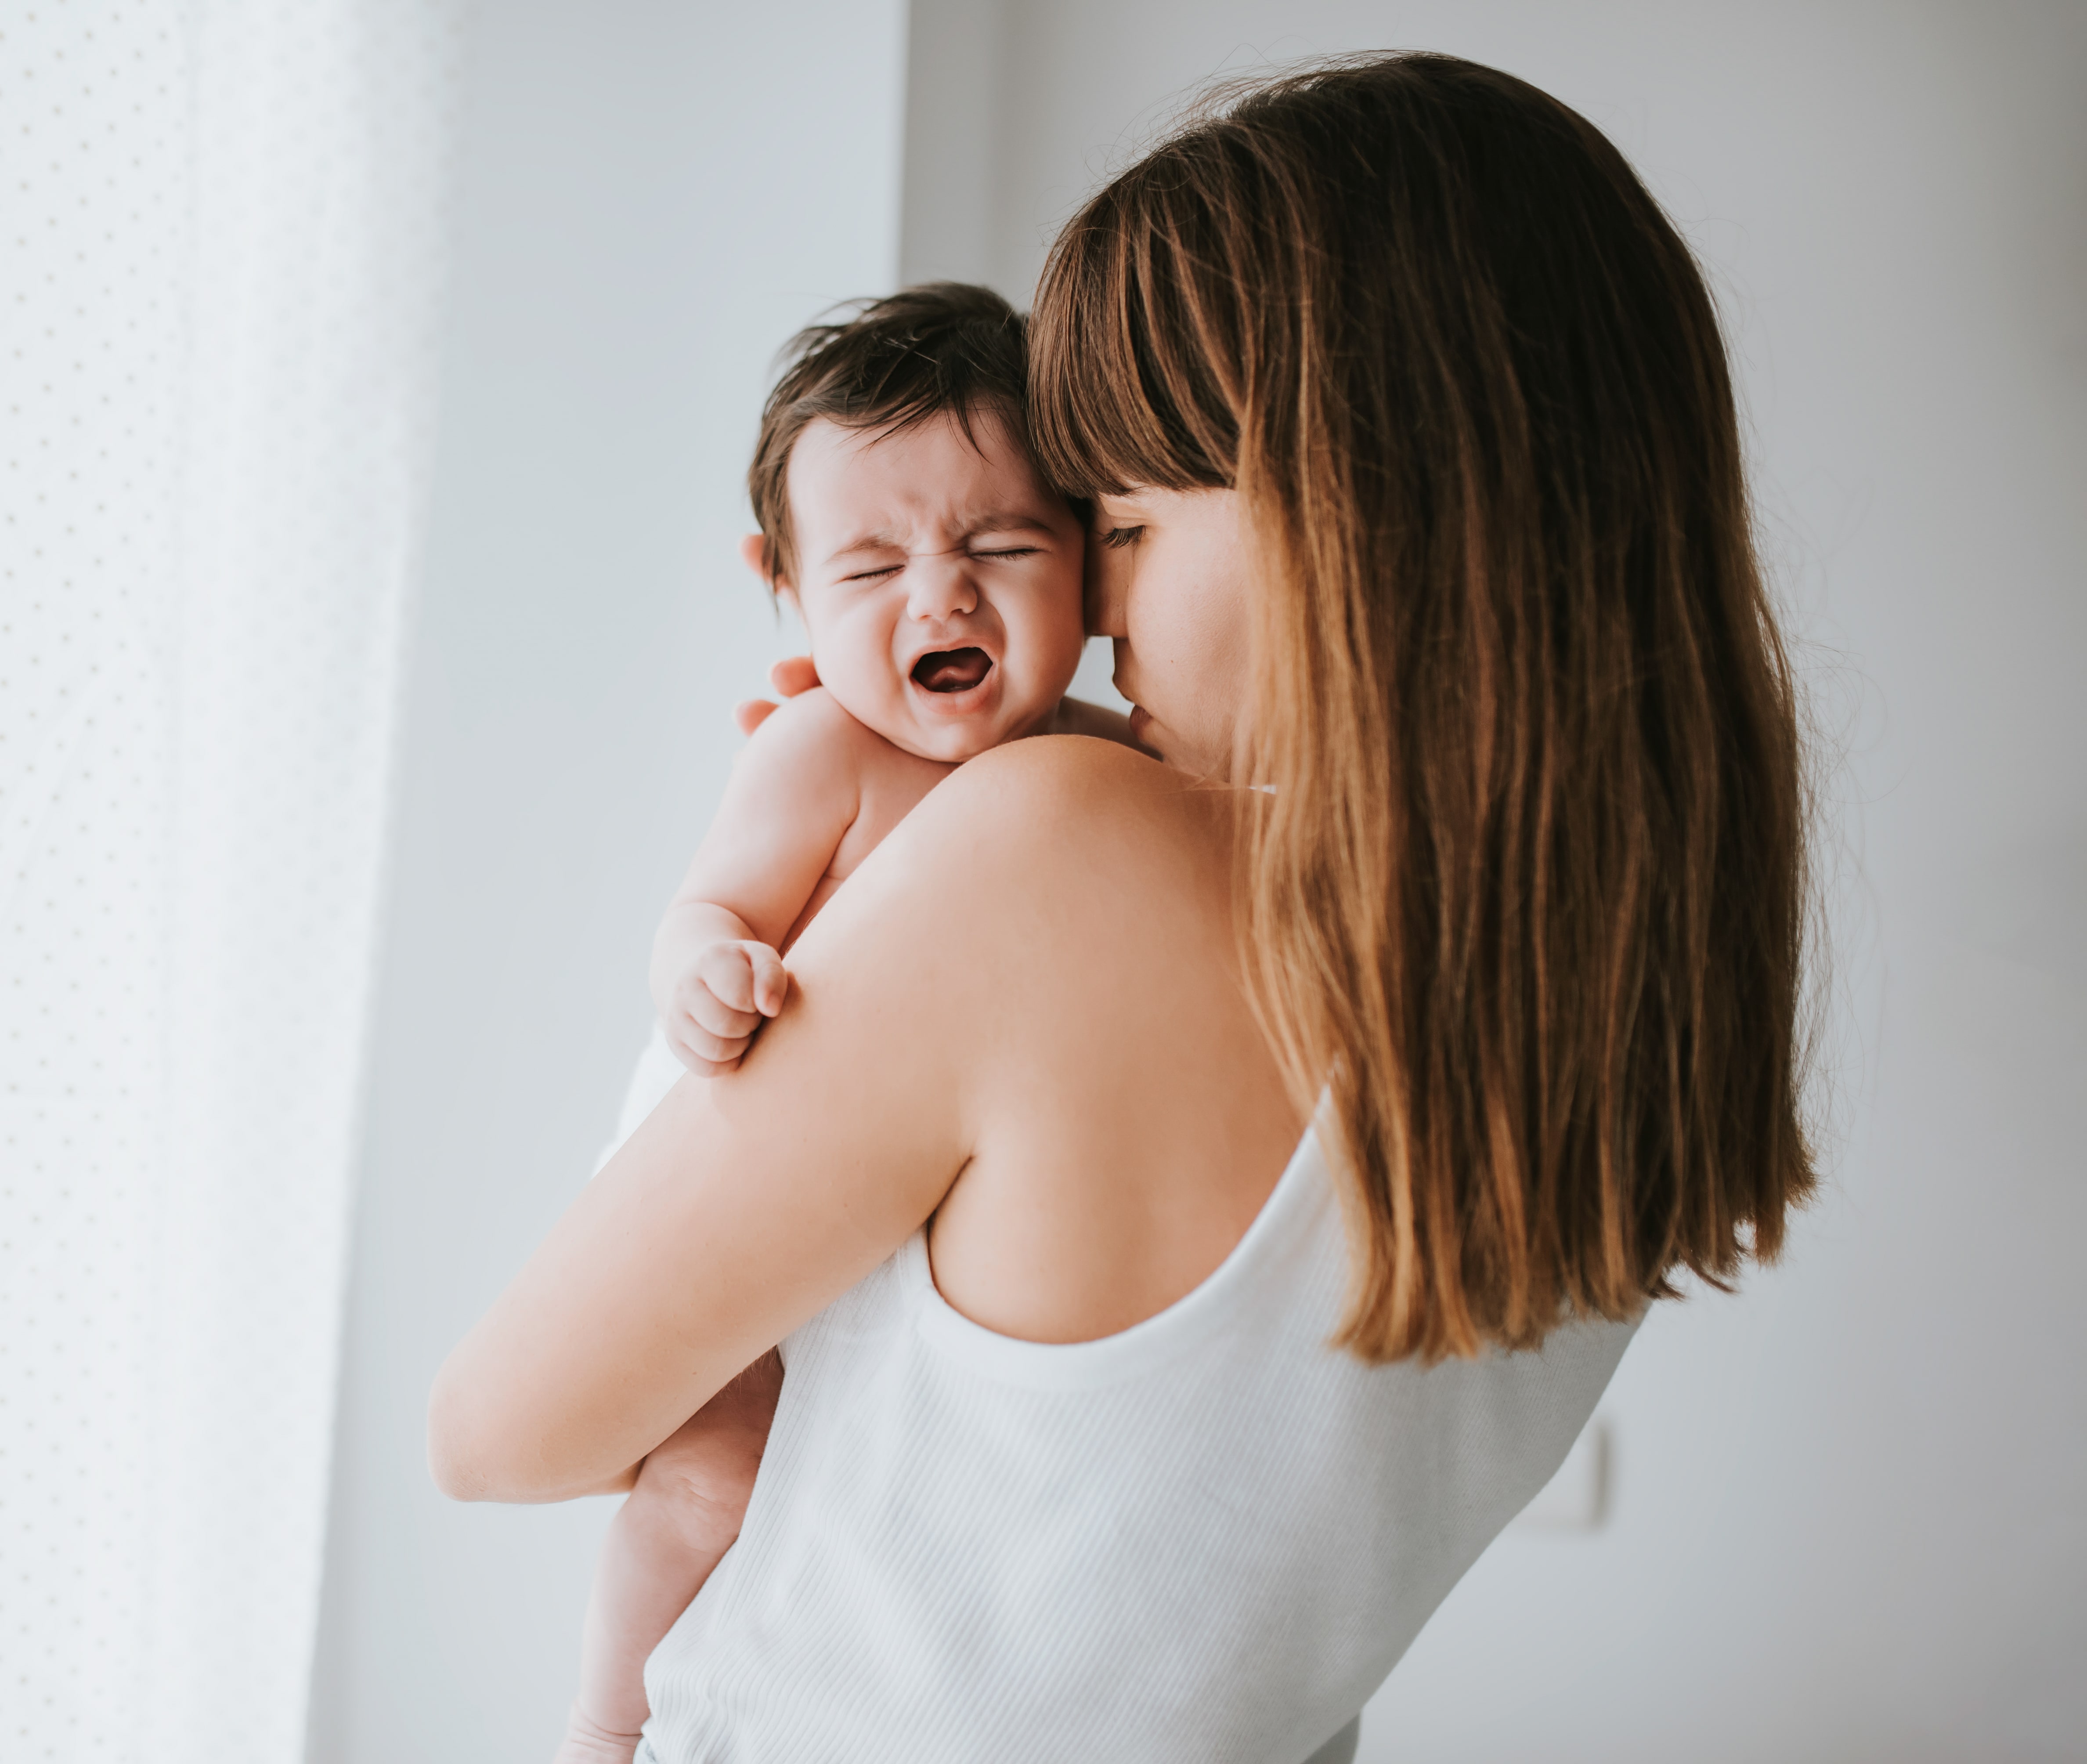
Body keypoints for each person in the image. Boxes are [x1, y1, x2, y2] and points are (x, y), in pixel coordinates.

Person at [433, 50, 1814, 1764]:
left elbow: (500, 1425)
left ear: (1351, 513)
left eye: (1132, 524)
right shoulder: (1623, 998)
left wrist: (923, 856)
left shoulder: (1062, 850)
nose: (1096, 612)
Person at [570, 283, 1134, 1761]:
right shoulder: (827, 751)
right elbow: (708, 911)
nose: (941, 595)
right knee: (708, 1483)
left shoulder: (1112, 766)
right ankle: (607, 1727)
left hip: (914, 1229)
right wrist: (707, 969)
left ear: (1090, 560)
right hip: (734, 1168)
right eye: (874, 563)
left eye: (1002, 545)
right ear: (788, 586)